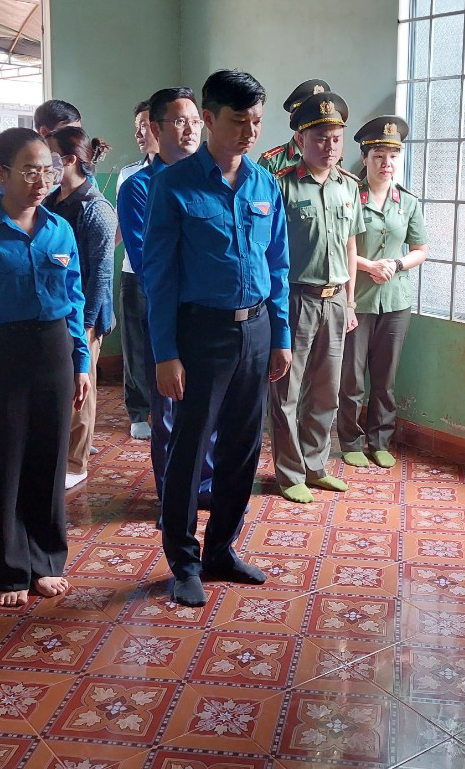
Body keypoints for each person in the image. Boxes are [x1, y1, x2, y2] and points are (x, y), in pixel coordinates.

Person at [145, 69, 291, 607]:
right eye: (239, 121)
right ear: (208, 119)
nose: (251, 132)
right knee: (190, 450)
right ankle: (183, 561)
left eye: (257, 120)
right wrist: (166, 353)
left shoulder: (263, 184)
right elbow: (159, 277)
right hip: (199, 332)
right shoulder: (173, 186)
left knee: (242, 447)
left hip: (254, 331)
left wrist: (280, 334)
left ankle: (221, 550)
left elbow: (278, 263)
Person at [0, 128, 91, 607]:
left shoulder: (59, 229)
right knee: (2, 461)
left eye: (48, 170)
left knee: (48, 461)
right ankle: (7, 568)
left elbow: (74, 301)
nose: (41, 180)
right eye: (29, 170)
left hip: (52, 351)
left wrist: (82, 362)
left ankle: (47, 559)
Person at [119, 88, 217, 514]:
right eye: (179, 121)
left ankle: (206, 485)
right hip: (163, 309)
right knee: (169, 409)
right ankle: (173, 494)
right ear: (155, 129)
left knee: (209, 404)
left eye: (195, 121)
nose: (190, 130)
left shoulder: (214, 178)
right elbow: (148, 262)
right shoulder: (139, 187)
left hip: (209, 314)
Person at [270, 91, 364, 503]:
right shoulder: (284, 188)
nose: (330, 147)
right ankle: (290, 473)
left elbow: (349, 247)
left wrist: (351, 300)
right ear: (302, 141)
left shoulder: (348, 187)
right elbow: (270, 252)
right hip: (297, 299)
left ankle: (316, 464)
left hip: (336, 302)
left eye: (336, 139)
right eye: (321, 138)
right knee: (287, 391)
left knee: (327, 391)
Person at [337, 116, 427, 469]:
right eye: (379, 156)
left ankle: (380, 439)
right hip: (356, 298)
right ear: (365, 157)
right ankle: (349, 439)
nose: (387, 163)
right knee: (352, 377)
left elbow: (420, 248)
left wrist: (397, 264)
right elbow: (340, 246)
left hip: (396, 300)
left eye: (393, 156)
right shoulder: (348, 195)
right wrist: (370, 266)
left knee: (385, 378)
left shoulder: (407, 202)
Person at [46, 125, 115, 490]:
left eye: (49, 155)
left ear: (69, 160)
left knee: (81, 387)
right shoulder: (51, 200)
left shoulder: (96, 209)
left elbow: (101, 277)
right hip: (54, 311)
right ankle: (58, 455)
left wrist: (87, 326)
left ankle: (77, 461)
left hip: (86, 314)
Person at [117, 99, 159, 440]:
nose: (140, 134)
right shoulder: (129, 175)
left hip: (173, 276)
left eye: (145, 126)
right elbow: (122, 228)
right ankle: (139, 410)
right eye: (136, 129)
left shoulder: (188, 172)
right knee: (136, 344)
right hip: (135, 273)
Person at [257, 78, 333, 176]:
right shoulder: (272, 163)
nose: (316, 124)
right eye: (309, 117)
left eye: (321, 118)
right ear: (295, 120)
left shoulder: (330, 157)